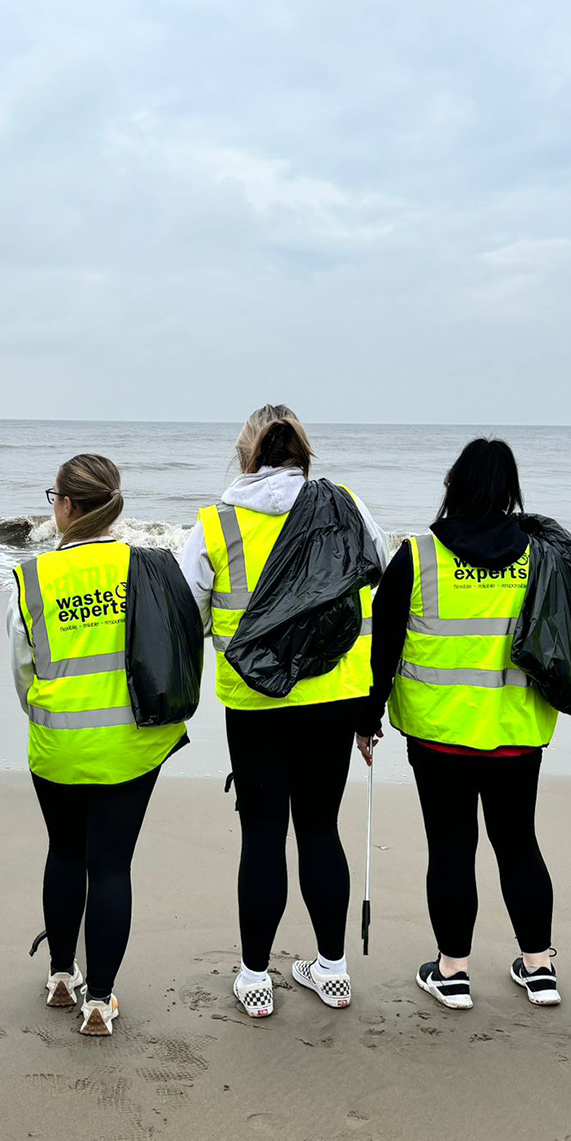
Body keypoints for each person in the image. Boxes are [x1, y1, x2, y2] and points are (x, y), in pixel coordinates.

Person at [180, 406, 388, 1019]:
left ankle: (255, 976)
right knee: (322, 829)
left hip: (255, 700)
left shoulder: (216, 522)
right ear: (304, 449)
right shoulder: (345, 502)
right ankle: (333, 971)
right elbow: (380, 570)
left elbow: (189, 611)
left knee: (263, 833)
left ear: (246, 452)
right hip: (334, 694)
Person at [357, 438, 571, 1011]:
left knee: (451, 848)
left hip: (439, 735)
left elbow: (382, 648)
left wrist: (368, 715)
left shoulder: (419, 553)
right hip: (517, 732)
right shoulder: (539, 555)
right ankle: (539, 967)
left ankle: (453, 972)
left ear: (453, 483)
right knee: (518, 843)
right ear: (510, 491)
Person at [9, 455, 188, 1038]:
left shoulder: (33, 577)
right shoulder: (148, 568)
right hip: (131, 747)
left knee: (64, 853)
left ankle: (62, 976)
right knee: (111, 867)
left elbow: (22, 667)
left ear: (64, 505)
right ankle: (100, 1002)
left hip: (58, 744)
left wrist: (51, 717)